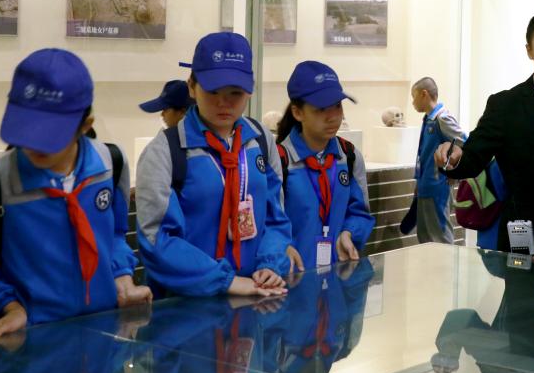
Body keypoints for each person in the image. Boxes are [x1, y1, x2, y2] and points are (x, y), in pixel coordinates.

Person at [0, 49, 150, 337]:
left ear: (85, 125)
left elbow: (115, 235)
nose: (36, 143)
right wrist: (10, 307)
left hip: (104, 335)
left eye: (51, 133)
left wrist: (122, 277)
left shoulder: (111, 164)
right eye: (27, 128)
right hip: (33, 342)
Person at [135, 32, 291, 298]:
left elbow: (276, 217)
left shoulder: (261, 140)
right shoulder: (166, 151)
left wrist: (270, 264)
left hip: (255, 297)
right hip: (187, 306)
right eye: (212, 91)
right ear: (192, 87)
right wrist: (226, 281)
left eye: (235, 93)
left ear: (250, 89)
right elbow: (156, 240)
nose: (223, 102)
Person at [434, 8, 534, 253]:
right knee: (520, 280)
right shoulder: (505, 105)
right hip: (522, 230)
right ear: (529, 51)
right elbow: (472, 159)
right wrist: (452, 158)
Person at [275, 61, 375, 273]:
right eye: (321, 109)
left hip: (338, 279)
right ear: (298, 112)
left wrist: (349, 232)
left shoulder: (349, 157)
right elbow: (268, 223)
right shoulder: (280, 160)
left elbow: (360, 212)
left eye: (337, 106)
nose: (333, 116)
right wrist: (281, 248)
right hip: (292, 281)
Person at [411, 76, 467, 244]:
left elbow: (465, 142)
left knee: (440, 236)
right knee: (425, 236)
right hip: (425, 185)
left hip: (437, 187)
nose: (413, 102)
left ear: (424, 94)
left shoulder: (442, 118)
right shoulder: (428, 119)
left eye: (414, 97)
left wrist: (454, 171)